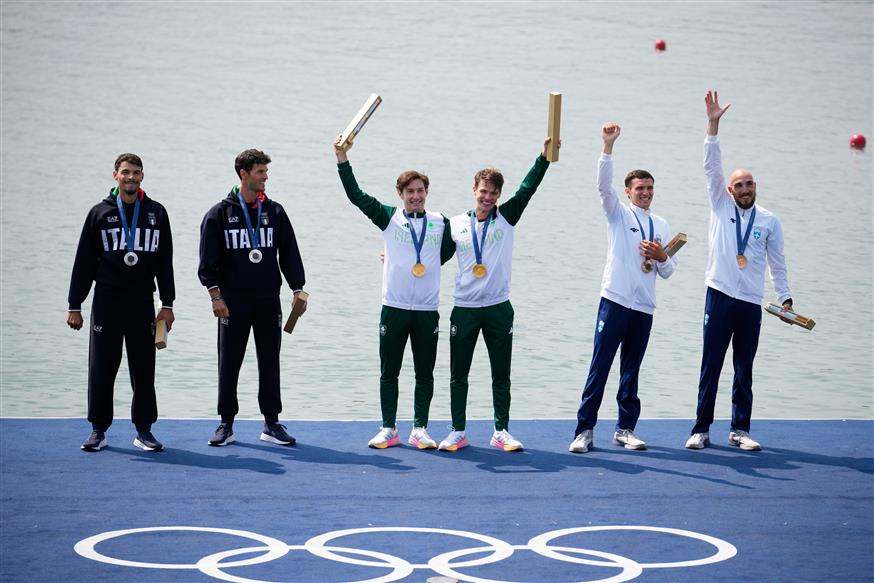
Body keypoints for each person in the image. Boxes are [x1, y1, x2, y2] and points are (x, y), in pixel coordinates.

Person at [685, 91, 794, 452]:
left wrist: (785, 298)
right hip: (718, 294)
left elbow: (778, 263)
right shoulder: (719, 204)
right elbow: (710, 165)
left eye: (750, 184)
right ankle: (701, 429)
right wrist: (713, 124)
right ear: (729, 190)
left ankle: (740, 429)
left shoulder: (768, 220)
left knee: (744, 368)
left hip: (749, 301)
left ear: (755, 188)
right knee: (711, 365)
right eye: (739, 185)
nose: (745, 189)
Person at [333, 136, 455, 449]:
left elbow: (453, 251)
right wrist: (342, 159)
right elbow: (356, 196)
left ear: (426, 192)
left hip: (427, 311)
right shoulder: (389, 218)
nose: (416, 196)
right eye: (410, 191)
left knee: (425, 373)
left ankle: (420, 429)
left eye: (420, 191)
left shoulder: (441, 222)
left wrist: (422, 262)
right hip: (395, 307)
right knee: (390, 372)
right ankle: (388, 428)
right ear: (400, 194)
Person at [438, 137, 557, 452]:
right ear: (474, 189)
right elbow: (434, 258)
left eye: (493, 193)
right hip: (463, 309)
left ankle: (501, 430)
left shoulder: (506, 217)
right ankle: (457, 431)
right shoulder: (456, 224)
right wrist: (397, 256)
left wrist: (543, 157)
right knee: (457, 375)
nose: (488, 197)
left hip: (498, 308)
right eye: (483, 191)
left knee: (500, 374)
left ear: (498, 195)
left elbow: (528, 189)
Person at [569, 123, 677, 454]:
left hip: (643, 307)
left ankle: (625, 429)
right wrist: (607, 146)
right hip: (614, 301)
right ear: (628, 191)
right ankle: (584, 431)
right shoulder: (618, 213)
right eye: (640, 188)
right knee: (600, 367)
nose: (646, 193)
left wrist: (661, 257)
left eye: (650, 188)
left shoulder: (661, 224)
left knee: (631, 371)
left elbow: (669, 271)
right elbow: (603, 187)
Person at [67, 153, 175, 452]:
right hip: (107, 301)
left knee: (143, 370)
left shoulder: (156, 213)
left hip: (142, 302)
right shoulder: (99, 213)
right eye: (125, 172)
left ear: (142, 176)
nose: (131, 177)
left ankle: (144, 431)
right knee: (102, 369)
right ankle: (98, 430)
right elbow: (84, 262)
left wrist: (167, 303)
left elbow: (165, 261)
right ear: (115, 175)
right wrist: (74, 304)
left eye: (136, 173)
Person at [198, 149, 306, 447]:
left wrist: (298, 288)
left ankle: (271, 423)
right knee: (229, 362)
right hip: (232, 302)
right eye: (260, 172)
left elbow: (290, 254)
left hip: (268, 300)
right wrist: (215, 296)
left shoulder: (275, 212)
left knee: (269, 361)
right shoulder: (219, 214)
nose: (266, 177)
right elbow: (208, 262)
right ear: (244, 174)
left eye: (265, 171)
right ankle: (226, 424)